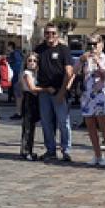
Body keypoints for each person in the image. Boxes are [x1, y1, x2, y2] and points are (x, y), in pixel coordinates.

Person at [35, 23, 74, 162]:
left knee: (63, 122)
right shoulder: (39, 49)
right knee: (46, 122)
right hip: (44, 91)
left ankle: (66, 150)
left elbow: (69, 72)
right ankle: (50, 150)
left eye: (53, 33)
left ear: (57, 34)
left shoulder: (64, 50)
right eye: (47, 33)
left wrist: (62, 92)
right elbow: (32, 66)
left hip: (59, 91)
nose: (50, 36)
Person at [75, 33, 105, 166]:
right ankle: (97, 155)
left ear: (101, 44)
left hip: (100, 95)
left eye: (95, 44)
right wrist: (81, 60)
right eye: (90, 44)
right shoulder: (85, 58)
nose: (92, 47)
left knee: (104, 127)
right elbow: (74, 73)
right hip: (87, 96)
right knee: (90, 127)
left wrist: (98, 62)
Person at [19, 53, 41, 160]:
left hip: (34, 99)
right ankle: (25, 151)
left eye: (34, 61)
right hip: (29, 98)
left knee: (32, 127)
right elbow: (32, 88)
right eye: (29, 60)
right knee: (27, 127)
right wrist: (47, 89)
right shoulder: (27, 73)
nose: (32, 62)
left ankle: (29, 150)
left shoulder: (35, 73)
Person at [7, 41, 24, 119]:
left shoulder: (15, 54)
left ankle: (19, 112)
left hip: (17, 77)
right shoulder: (15, 54)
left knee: (19, 96)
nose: (7, 48)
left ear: (11, 47)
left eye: (8, 46)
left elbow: (18, 65)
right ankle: (19, 112)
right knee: (18, 96)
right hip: (16, 76)